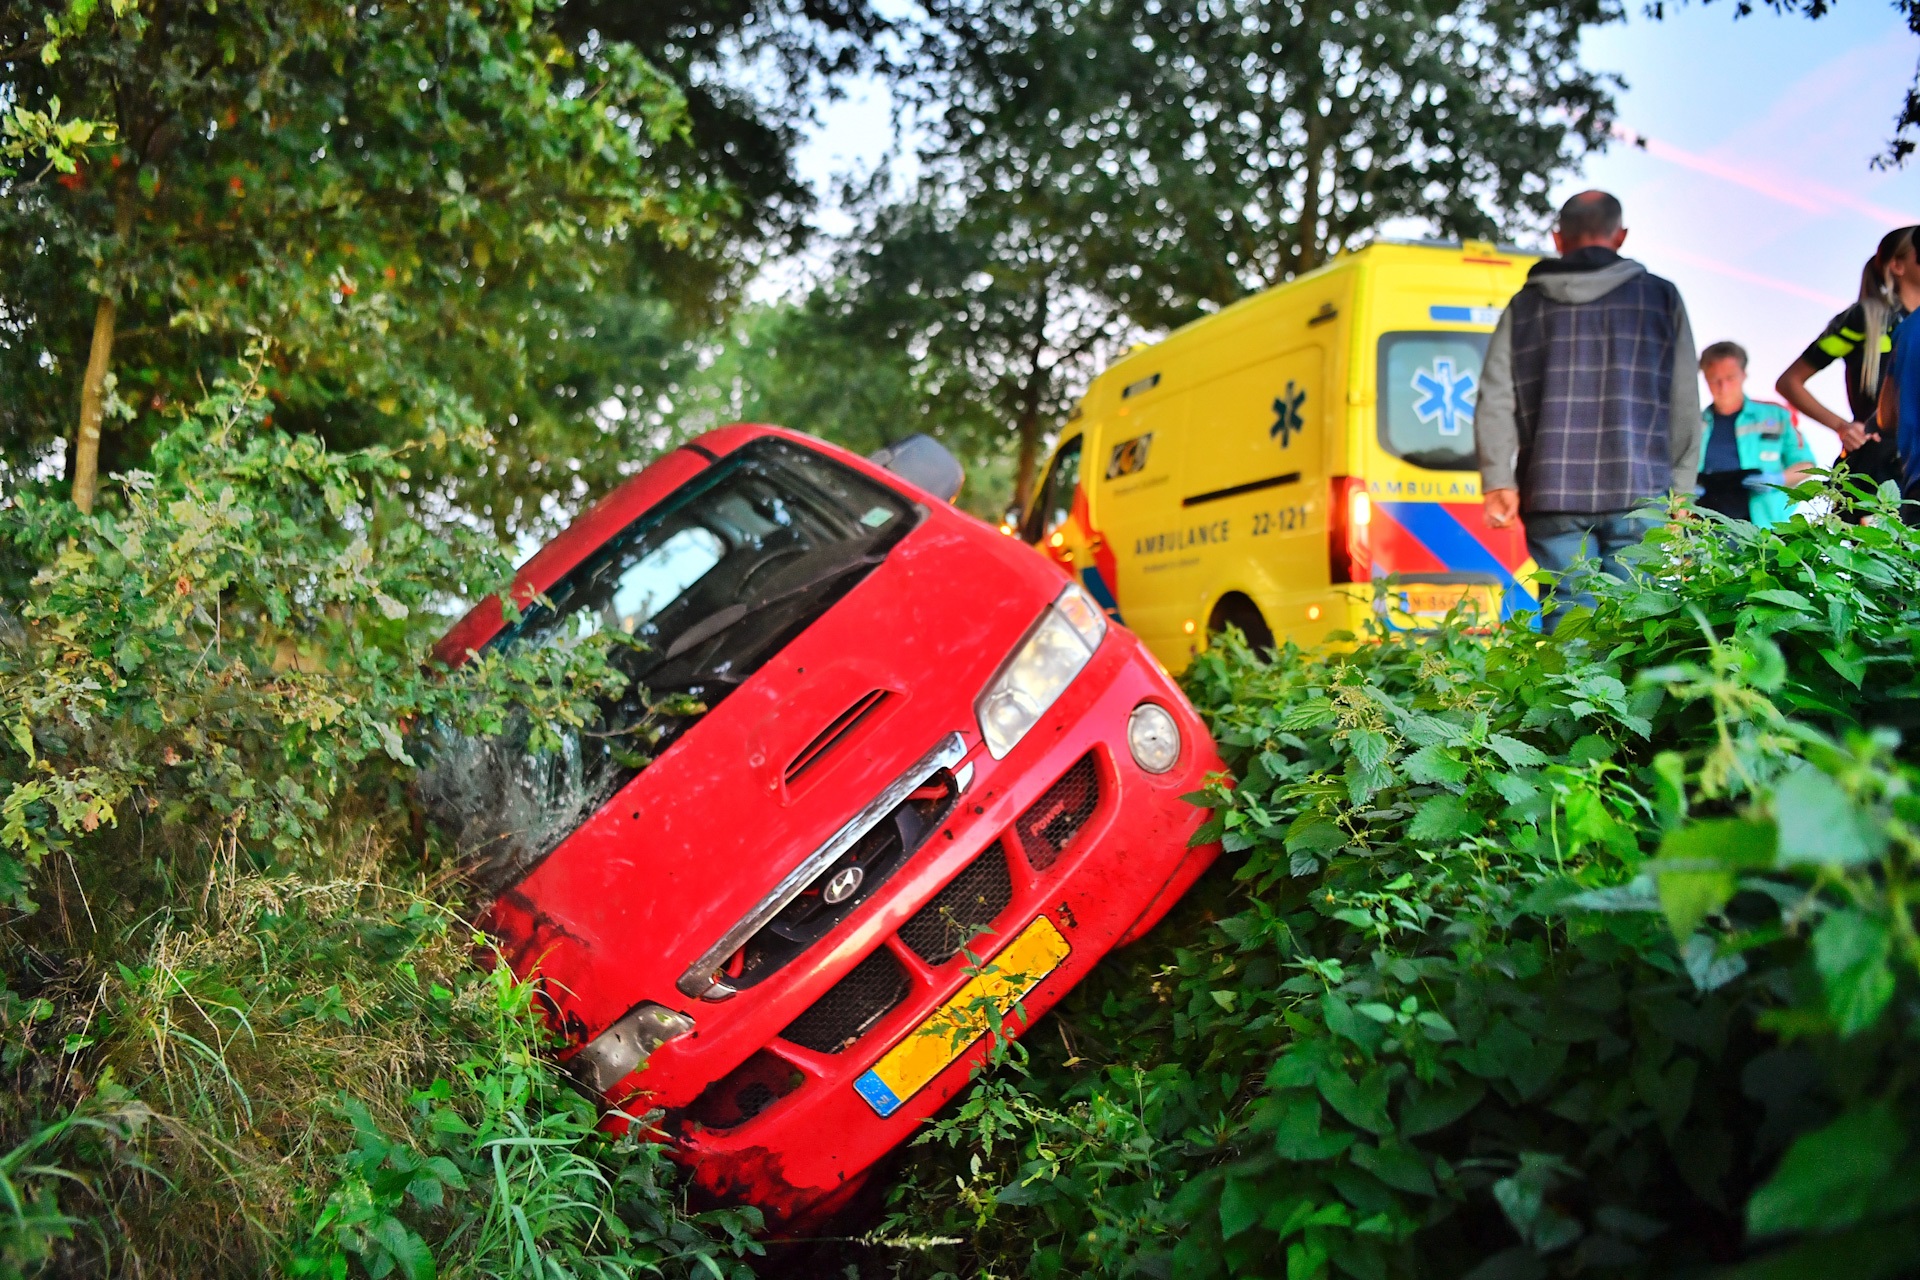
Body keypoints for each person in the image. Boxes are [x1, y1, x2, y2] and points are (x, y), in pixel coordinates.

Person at [1477, 190, 1700, 628]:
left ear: (1558, 239)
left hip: (1551, 487)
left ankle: (1572, 696)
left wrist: (1497, 477)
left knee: (1568, 618)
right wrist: (1682, 487)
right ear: (1621, 236)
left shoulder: (1525, 305)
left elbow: (1495, 394)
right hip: (1640, 487)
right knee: (1634, 616)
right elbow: (1683, 399)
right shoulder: (1660, 298)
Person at [1776, 225, 1920, 507]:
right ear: (1898, 265)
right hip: (1875, 463)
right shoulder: (1865, 318)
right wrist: (1842, 427)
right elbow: (1789, 381)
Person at [1695, 341, 1816, 525]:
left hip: (1765, 528)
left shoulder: (1776, 416)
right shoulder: (1694, 424)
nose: (1723, 387)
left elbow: (1806, 465)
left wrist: (1776, 480)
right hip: (1706, 529)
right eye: (1714, 379)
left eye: (1730, 378)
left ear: (1744, 375)